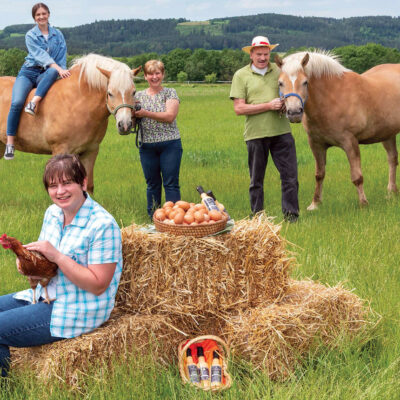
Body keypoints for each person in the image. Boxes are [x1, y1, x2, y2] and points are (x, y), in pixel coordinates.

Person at [0, 154, 123, 378]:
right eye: (53, 185)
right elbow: (44, 261)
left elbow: (98, 285)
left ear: (83, 183)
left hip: (78, 306)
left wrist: (57, 256)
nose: (60, 192)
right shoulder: (53, 213)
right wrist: (28, 264)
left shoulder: (103, 225)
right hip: (47, 294)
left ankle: (4, 387)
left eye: (67, 183)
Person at [230, 36, 299, 222]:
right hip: (255, 134)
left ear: (270, 54)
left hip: (282, 133)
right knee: (256, 181)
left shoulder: (279, 71)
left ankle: (292, 216)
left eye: (266, 54)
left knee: (290, 177)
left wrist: (286, 103)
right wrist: (268, 105)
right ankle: (258, 217)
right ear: (251, 54)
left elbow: (292, 89)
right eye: (258, 54)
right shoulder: (241, 75)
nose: (262, 58)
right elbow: (239, 108)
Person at [4, 3, 70, 161]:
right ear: (34, 18)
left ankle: (34, 102)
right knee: (17, 102)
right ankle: (10, 143)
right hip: (28, 72)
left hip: (46, 73)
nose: (41, 17)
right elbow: (40, 55)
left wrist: (62, 70)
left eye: (44, 13)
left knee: (53, 71)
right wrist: (57, 68)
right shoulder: (30, 35)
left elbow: (62, 55)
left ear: (48, 14)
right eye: (38, 15)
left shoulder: (58, 35)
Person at [134, 59, 183, 218]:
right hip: (147, 146)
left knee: (171, 184)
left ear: (163, 74)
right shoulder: (138, 96)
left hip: (170, 144)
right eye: (150, 74)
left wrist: (145, 113)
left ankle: (174, 219)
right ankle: (154, 218)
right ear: (145, 76)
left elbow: (170, 116)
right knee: (152, 185)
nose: (154, 77)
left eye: (157, 73)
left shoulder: (170, 92)